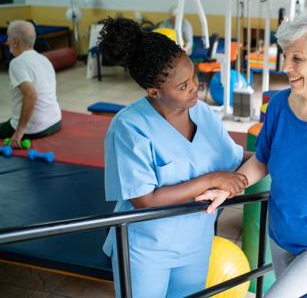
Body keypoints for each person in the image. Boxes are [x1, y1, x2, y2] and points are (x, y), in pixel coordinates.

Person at [197, 11, 307, 297]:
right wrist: (230, 187)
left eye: (297, 58)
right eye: (285, 56)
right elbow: (262, 159)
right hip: (282, 234)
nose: (286, 66)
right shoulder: (280, 104)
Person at [98, 17, 249, 298]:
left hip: (195, 242)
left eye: (193, 77)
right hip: (145, 247)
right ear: (154, 91)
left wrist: (276, 154)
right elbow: (144, 199)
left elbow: (236, 157)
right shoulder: (129, 127)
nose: (194, 87)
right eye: (183, 86)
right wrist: (212, 179)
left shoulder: (203, 113)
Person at [0, 20, 62, 147]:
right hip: (55, 123)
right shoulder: (44, 59)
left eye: (8, 37)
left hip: (35, 130)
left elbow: (31, 94)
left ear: (15, 41)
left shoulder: (17, 63)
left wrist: (19, 132)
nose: (7, 41)